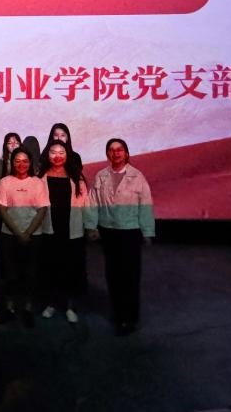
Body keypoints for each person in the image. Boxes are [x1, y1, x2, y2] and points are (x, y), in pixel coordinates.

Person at [85, 138, 155, 335]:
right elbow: (92, 202)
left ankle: (130, 318)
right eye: (111, 150)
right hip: (109, 232)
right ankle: (118, 315)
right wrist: (91, 226)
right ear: (107, 154)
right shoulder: (100, 176)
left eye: (120, 149)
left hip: (130, 232)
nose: (115, 153)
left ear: (126, 153)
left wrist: (147, 231)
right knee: (113, 276)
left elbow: (146, 205)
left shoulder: (137, 176)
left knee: (130, 276)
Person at [0, 148, 48, 327]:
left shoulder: (37, 182)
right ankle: (9, 308)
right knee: (10, 273)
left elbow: (42, 210)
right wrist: (19, 233)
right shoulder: (5, 182)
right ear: (12, 163)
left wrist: (27, 233)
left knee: (30, 274)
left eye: (25, 161)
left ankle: (27, 308)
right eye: (17, 161)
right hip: (9, 235)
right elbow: (3, 210)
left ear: (30, 163)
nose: (21, 164)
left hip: (34, 236)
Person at [38, 139, 88, 323]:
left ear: (67, 155)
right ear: (47, 154)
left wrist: (90, 226)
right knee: (51, 268)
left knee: (71, 269)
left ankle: (70, 307)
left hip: (72, 230)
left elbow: (86, 204)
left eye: (61, 152)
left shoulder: (76, 178)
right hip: (49, 229)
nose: (57, 156)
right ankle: (52, 303)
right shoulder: (40, 177)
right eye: (53, 152)